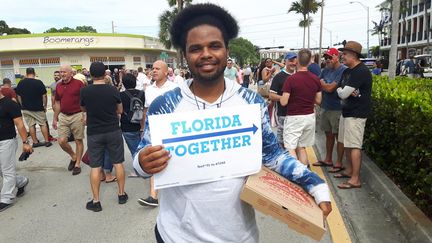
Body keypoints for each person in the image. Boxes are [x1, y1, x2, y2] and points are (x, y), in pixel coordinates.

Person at [133, 4, 331, 242]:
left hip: (239, 236)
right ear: (185, 56)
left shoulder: (250, 102)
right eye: (196, 48)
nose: (206, 53)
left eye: (214, 46)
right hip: (176, 236)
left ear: (227, 51)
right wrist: (143, 162)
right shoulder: (165, 105)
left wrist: (315, 184)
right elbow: (139, 163)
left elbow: (273, 156)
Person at [80, 62, 128, 212]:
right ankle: (121, 194)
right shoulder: (112, 89)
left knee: (95, 166)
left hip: (94, 132)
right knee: (118, 162)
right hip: (113, 129)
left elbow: (83, 108)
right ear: (104, 74)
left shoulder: (85, 91)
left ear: (91, 75)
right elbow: (120, 109)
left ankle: (96, 201)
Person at [137, 60, 178, 207]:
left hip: (172, 130)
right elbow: (146, 110)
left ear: (166, 72)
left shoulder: (175, 88)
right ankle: (153, 196)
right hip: (153, 130)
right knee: (155, 158)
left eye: (158, 69)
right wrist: (143, 128)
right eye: (153, 68)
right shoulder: (149, 90)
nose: (154, 71)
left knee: (172, 160)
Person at [335, 41, 372, 189]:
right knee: (347, 144)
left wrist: (342, 92)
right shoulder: (347, 71)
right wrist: (342, 91)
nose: (342, 56)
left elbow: (342, 93)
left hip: (356, 114)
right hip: (347, 113)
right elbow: (340, 88)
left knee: (354, 145)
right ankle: (349, 171)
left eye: (344, 54)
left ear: (354, 55)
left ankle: (355, 179)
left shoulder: (360, 71)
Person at [280, 49, 322, 165]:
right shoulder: (316, 79)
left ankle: (296, 174)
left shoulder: (291, 79)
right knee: (301, 147)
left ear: (297, 61)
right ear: (310, 62)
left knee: (289, 147)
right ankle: (303, 172)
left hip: (294, 117)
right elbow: (319, 100)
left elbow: (283, 102)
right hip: (309, 117)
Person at [312, 48, 346, 173]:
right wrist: (325, 84)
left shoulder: (343, 70)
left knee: (338, 136)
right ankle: (328, 159)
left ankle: (339, 162)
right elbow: (317, 84)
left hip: (337, 108)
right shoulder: (325, 70)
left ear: (337, 57)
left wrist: (324, 84)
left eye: (330, 57)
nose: (327, 60)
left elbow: (331, 88)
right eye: (326, 58)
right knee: (328, 134)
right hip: (325, 106)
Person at [0, 90, 32, 212]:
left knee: (7, 170)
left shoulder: (10, 104)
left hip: (6, 141)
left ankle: (6, 198)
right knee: (2, 170)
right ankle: (21, 181)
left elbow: (19, 124)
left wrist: (25, 143)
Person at [52, 65, 85, 176]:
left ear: (71, 73)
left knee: (78, 140)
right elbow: (57, 102)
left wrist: (85, 114)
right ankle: (73, 156)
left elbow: (85, 100)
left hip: (77, 115)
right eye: (61, 72)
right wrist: (55, 118)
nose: (62, 74)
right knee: (61, 141)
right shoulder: (58, 86)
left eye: (64, 72)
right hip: (63, 116)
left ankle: (78, 164)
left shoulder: (79, 84)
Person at [15, 68, 52, 148]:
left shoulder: (21, 83)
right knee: (42, 124)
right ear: (34, 73)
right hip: (38, 108)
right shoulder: (38, 82)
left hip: (26, 108)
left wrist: (22, 105)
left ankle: (35, 142)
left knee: (31, 125)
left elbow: (18, 96)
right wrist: (44, 106)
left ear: (26, 73)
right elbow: (44, 96)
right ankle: (47, 141)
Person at [269, 52, 297, 147]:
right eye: (291, 61)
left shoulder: (299, 76)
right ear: (285, 62)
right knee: (282, 141)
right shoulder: (278, 77)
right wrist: (285, 98)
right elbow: (271, 95)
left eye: (295, 60)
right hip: (283, 114)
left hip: (298, 115)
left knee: (295, 141)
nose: (293, 63)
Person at [120, 73, 145, 177]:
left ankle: (138, 171)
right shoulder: (142, 94)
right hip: (141, 125)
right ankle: (145, 167)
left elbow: (119, 111)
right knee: (142, 147)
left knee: (134, 150)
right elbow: (144, 110)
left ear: (124, 84)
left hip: (127, 126)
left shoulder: (120, 95)